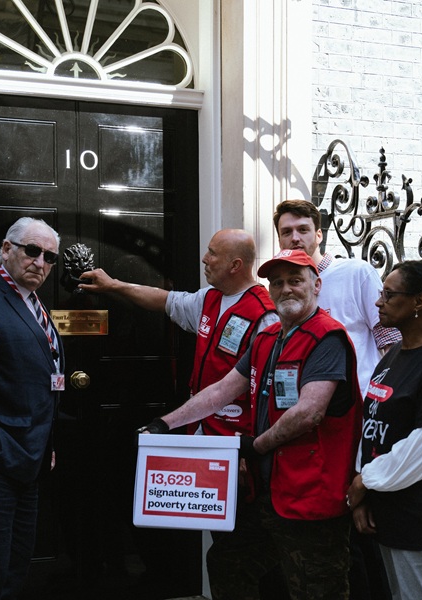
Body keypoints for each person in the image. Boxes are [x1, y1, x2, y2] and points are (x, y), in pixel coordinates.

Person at [141, 248, 364, 599]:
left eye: (295, 281)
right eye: (278, 283)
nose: (286, 289)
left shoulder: (327, 337)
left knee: (316, 589)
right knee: (228, 563)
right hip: (270, 493)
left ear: (316, 285)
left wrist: (255, 445)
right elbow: (221, 390)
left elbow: (310, 412)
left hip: (310, 497)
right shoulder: (267, 338)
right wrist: (163, 425)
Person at [78, 228, 281, 598]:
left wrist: (248, 452)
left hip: (239, 451)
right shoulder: (210, 299)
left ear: (236, 265)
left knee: (242, 548)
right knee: (221, 540)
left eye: (212, 254)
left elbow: (268, 394)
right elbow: (164, 300)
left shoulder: (266, 317)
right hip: (204, 439)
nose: (204, 259)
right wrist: (113, 286)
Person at [273, 199, 398, 599]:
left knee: (357, 525)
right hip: (307, 433)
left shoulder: (355, 272)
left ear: (319, 234)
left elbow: (389, 338)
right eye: (287, 231)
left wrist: (385, 402)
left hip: (356, 423)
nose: (296, 237)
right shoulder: (284, 286)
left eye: (303, 229)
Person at [346, 260, 422, 600]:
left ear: (419, 301)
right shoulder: (392, 357)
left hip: (421, 518)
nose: (378, 302)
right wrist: (364, 493)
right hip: (386, 513)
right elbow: (369, 427)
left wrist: (365, 481)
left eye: (389, 294)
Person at [0, 217, 64, 600]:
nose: (40, 262)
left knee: (16, 563)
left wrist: (47, 443)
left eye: (49, 257)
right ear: (6, 250)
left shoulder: (33, 300)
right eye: (32, 251)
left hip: (32, 457)